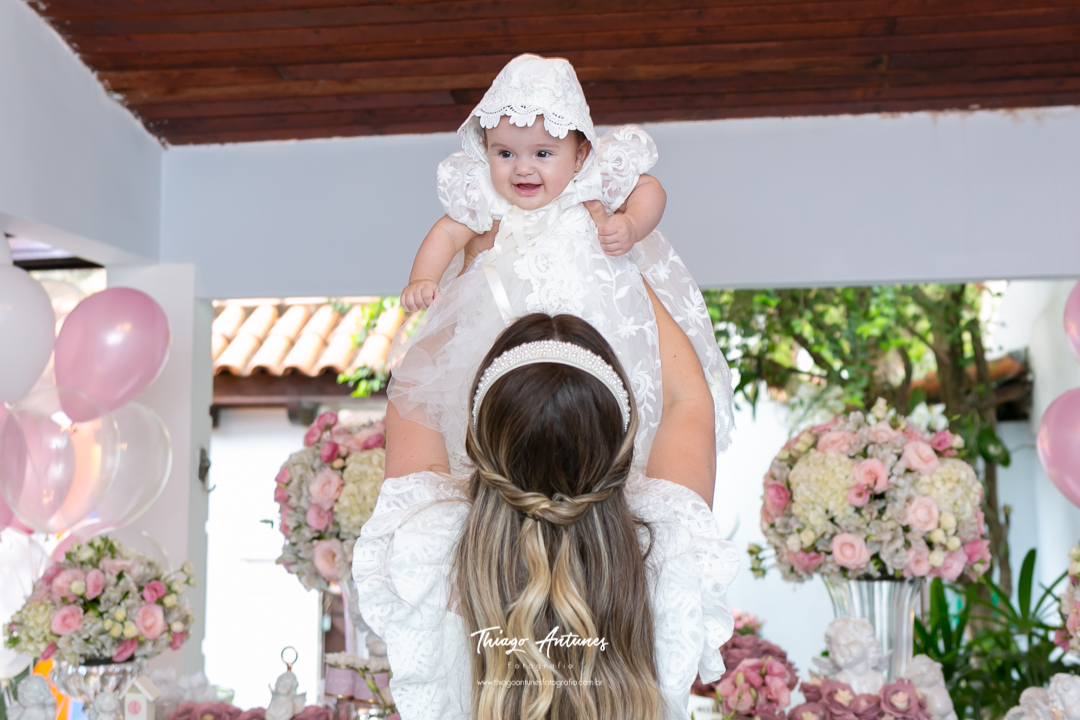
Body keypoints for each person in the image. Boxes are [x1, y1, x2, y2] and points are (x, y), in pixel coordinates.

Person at [353, 296, 740, 720]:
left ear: (479, 442)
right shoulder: (669, 545)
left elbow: (413, 392)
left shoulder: (429, 545)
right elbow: (687, 399)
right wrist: (632, 257)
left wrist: (467, 266)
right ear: (620, 446)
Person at [386, 53, 734, 478]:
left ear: (579, 154)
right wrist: (422, 277)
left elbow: (650, 188)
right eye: (505, 153)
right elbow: (446, 233)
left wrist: (631, 224)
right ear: (486, 151)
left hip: (596, 313)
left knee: (624, 372)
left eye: (543, 152)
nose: (523, 168)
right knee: (481, 382)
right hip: (505, 322)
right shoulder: (487, 196)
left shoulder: (590, 183)